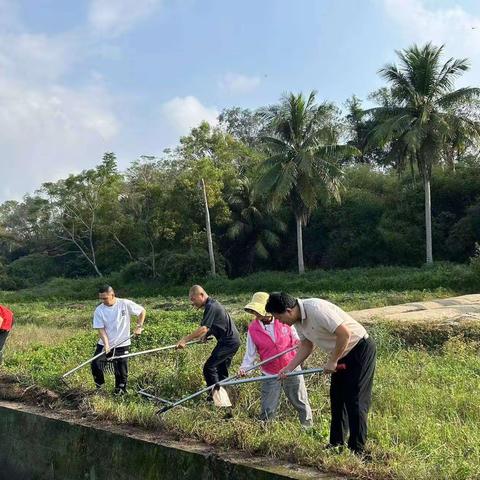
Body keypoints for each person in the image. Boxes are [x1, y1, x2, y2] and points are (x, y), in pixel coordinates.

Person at [265, 292, 376, 454]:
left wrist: (333, 361)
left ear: (288, 311)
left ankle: (357, 449)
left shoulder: (316, 309)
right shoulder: (297, 321)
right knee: (337, 399)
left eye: (279, 317)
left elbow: (345, 334)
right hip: (340, 353)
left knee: (356, 401)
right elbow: (306, 345)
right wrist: (289, 367)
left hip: (359, 348)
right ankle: (336, 444)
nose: (280, 322)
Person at [239, 292, 313, 428]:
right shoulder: (253, 329)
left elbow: (298, 339)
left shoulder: (284, 321)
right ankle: (265, 431)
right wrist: (245, 368)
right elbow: (250, 354)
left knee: (301, 401)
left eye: (259, 311)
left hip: (291, 367)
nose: (258, 315)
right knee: (268, 407)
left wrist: (298, 343)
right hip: (270, 372)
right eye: (255, 312)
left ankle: (308, 428)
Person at [177, 285, 240, 394]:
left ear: (201, 295)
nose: (192, 302)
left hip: (228, 342)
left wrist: (184, 340)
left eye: (193, 299)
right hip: (232, 341)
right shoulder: (211, 304)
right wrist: (206, 335)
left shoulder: (211, 306)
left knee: (209, 368)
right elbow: (216, 324)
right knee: (221, 372)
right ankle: (227, 399)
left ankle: (216, 397)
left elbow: (204, 328)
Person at [91, 285, 146, 395]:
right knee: (96, 364)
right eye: (101, 298)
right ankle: (100, 388)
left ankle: (120, 391)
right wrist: (106, 345)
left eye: (105, 298)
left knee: (121, 370)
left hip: (122, 343)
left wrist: (139, 326)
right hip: (105, 343)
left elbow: (142, 311)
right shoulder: (99, 310)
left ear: (112, 295)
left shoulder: (124, 303)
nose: (102, 301)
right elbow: (101, 329)